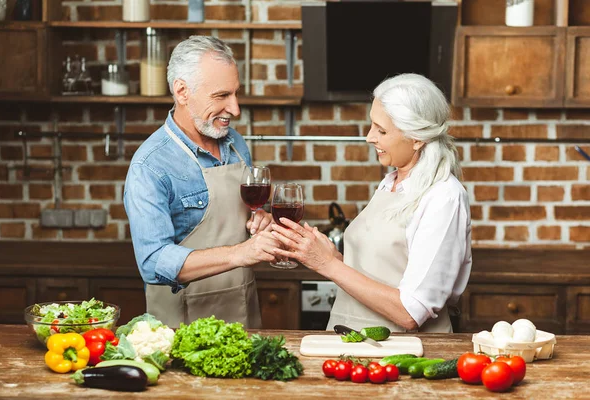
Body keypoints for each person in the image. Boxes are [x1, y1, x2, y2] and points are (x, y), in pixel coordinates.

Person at [271, 73, 472, 333]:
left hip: (404, 354)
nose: (369, 137)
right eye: (372, 126)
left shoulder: (444, 197)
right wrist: (334, 258)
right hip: (349, 342)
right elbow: (382, 271)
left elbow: (411, 311)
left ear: (417, 137)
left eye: (382, 130)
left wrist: (328, 266)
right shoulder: (390, 183)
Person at [124, 36, 279, 329]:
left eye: (236, 94)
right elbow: (153, 262)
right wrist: (239, 253)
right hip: (182, 326)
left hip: (243, 312)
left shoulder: (235, 144)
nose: (235, 109)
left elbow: (243, 218)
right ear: (182, 91)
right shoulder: (151, 165)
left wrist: (261, 219)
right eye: (221, 96)